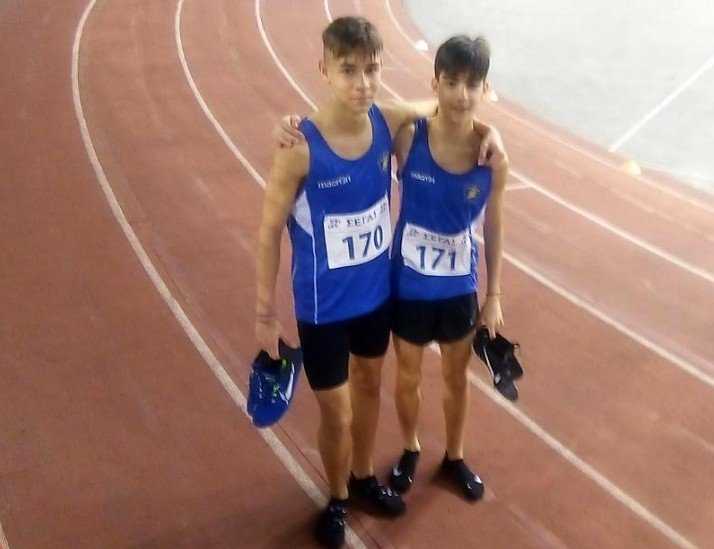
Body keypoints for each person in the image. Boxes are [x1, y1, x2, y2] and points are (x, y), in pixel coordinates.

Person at [257, 17, 506, 547]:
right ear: (324, 70)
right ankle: (337, 497)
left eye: (371, 70)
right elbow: (268, 231)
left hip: (375, 299)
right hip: (322, 307)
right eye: (348, 71)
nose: (362, 83)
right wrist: (264, 314)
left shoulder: (385, 121)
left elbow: (440, 105)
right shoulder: (299, 147)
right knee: (337, 410)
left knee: (369, 388)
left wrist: (491, 129)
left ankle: (364, 477)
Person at [387, 35, 507, 502]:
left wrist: (493, 295)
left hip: (458, 288)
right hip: (409, 286)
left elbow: (494, 227)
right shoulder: (408, 138)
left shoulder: (493, 159)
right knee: (408, 376)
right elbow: (374, 113)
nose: (461, 93)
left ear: (485, 88)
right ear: (434, 83)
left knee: (457, 378)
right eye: (451, 82)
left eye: (472, 84)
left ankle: (454, 456)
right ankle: (410, 448)